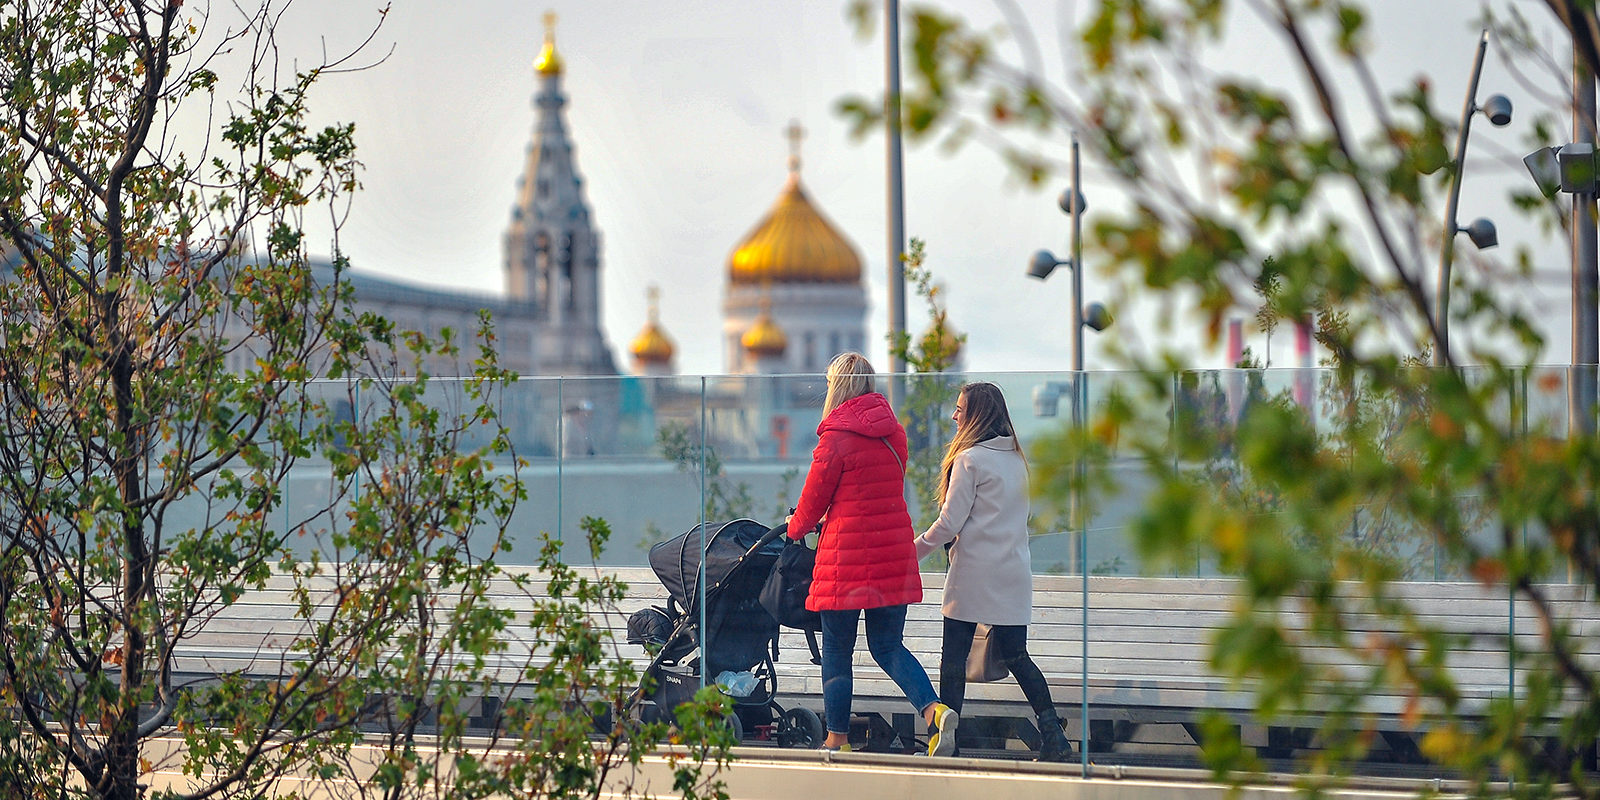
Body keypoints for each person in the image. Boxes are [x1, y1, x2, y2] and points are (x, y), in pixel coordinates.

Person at [786, 352, 958, 756]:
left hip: (845, 559)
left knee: (837, 651)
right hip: (892, 554)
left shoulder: (835, 438)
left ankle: (837, 738)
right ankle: (933, 712)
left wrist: (795, 527)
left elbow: (813, 502)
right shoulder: (893, 433)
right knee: (888, 646)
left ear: (838, 386)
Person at [913, 382, 1071, 761]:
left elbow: (949, 523)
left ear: (976, 415)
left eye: (959, 409)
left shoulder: (970, 460)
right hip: (1013, 573)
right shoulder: (1017, 459)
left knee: (953, 661)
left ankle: (947, 742)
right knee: (1018, 656)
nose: (954, 415)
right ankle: (1056, 739)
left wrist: (910, 553)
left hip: (973, 576)